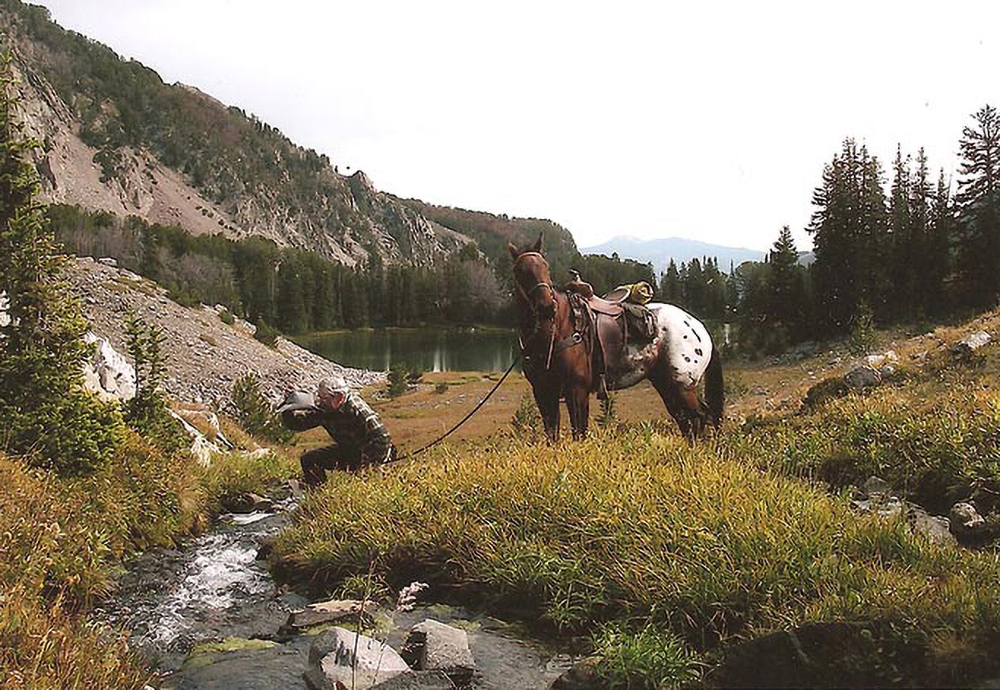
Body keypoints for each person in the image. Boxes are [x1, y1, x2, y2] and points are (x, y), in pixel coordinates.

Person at [278, 375, 394, 487]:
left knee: (363, 486)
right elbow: (298, 424)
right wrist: (289, 407)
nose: (320, 401)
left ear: (339, 397)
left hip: (370, 454)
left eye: (325, 398)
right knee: (309, 460)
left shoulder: (358, 410)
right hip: (349, 450)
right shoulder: (325, 409)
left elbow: (382, 438)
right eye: (320, 396)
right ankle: (317, 491)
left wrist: (367, 466)